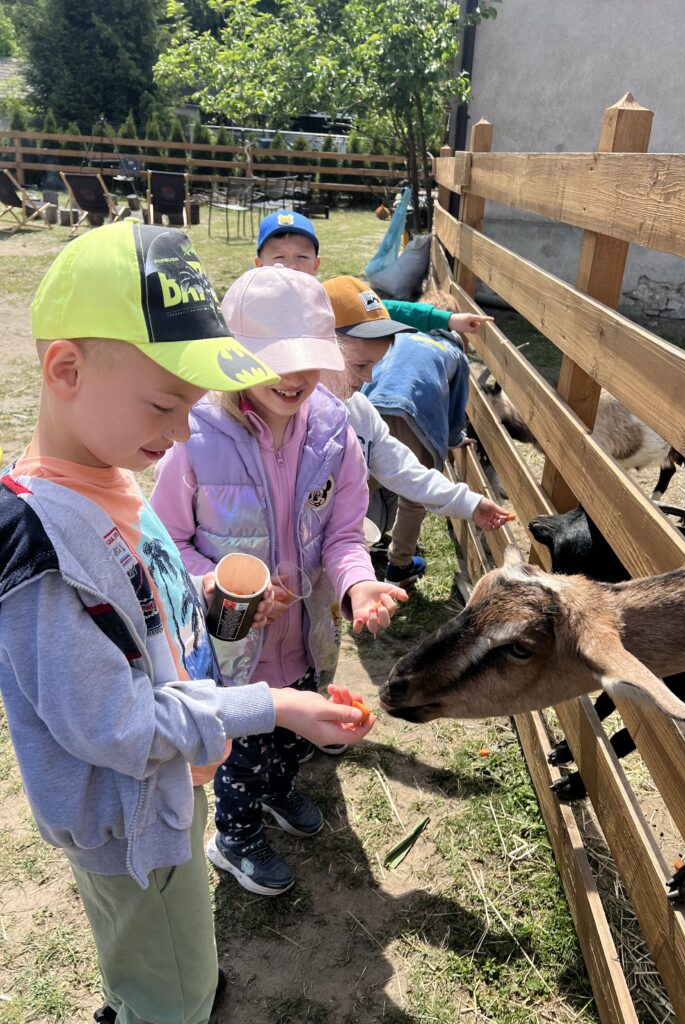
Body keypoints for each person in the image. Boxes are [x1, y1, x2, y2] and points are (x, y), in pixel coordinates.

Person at [0, 222, 374, 1024]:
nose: (178, 436)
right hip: (131, 820)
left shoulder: (113, 474)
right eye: (167, 404)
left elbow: (152, 613)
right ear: (64, 368)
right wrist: (273, 706)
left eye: (192, 408)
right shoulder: (41, 550)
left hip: (171, 787)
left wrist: (212, 609)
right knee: (170, 988)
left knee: (160, 956)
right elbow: (120, 726)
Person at [150, 266, 407, 897]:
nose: (293, 378)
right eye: (272, 360)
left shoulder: (334, 433)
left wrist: (358, 585)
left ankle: (279, 792)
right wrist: (211, 583)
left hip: (306, 635)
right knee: (240, 753)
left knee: (293, 735)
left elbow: (345, 533)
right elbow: (163, 544)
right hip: (232, 647)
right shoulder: (195, 437)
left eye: (307, 360)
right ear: (234, 357)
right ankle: (234, 838)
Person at [253, 212, 512, 585]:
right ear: (318, 343)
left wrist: (468, 503)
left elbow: (403, 467)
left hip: (320, 578)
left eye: (302, 257)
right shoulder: (267, 404)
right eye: (360, 364)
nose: (369, 377)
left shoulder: (356, 413)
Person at [361, 288, 476, 583]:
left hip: (370, 408)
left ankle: (335, 546)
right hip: (415, 417)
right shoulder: (454, 353)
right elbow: (456, 406)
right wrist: (453, 438)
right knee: (413, 496)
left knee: (358, 483)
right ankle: (399, 565)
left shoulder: (397, 336)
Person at [254, 208, 492, 338]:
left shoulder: (328, 301)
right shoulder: (248, 309)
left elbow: (387, 309)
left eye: (301, 257)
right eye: (279, 258)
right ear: (258, 264)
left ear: (316, 264)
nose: (291, 266)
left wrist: (447, 319)